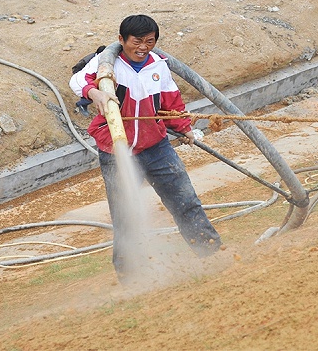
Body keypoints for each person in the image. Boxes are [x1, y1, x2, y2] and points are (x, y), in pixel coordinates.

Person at [69, 14, 222, 281]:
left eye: (149, 42)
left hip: (156, 147)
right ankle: (131, 278)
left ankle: (212, 255)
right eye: (137, 41)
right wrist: (94, 93)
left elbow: (171, 101)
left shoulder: (158, 66)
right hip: (117, 152)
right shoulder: (107, 62)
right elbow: (78, 81)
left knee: (186, 201)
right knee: (126, 217)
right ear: (121, 40)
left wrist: (183, 126)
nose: (143, 47)